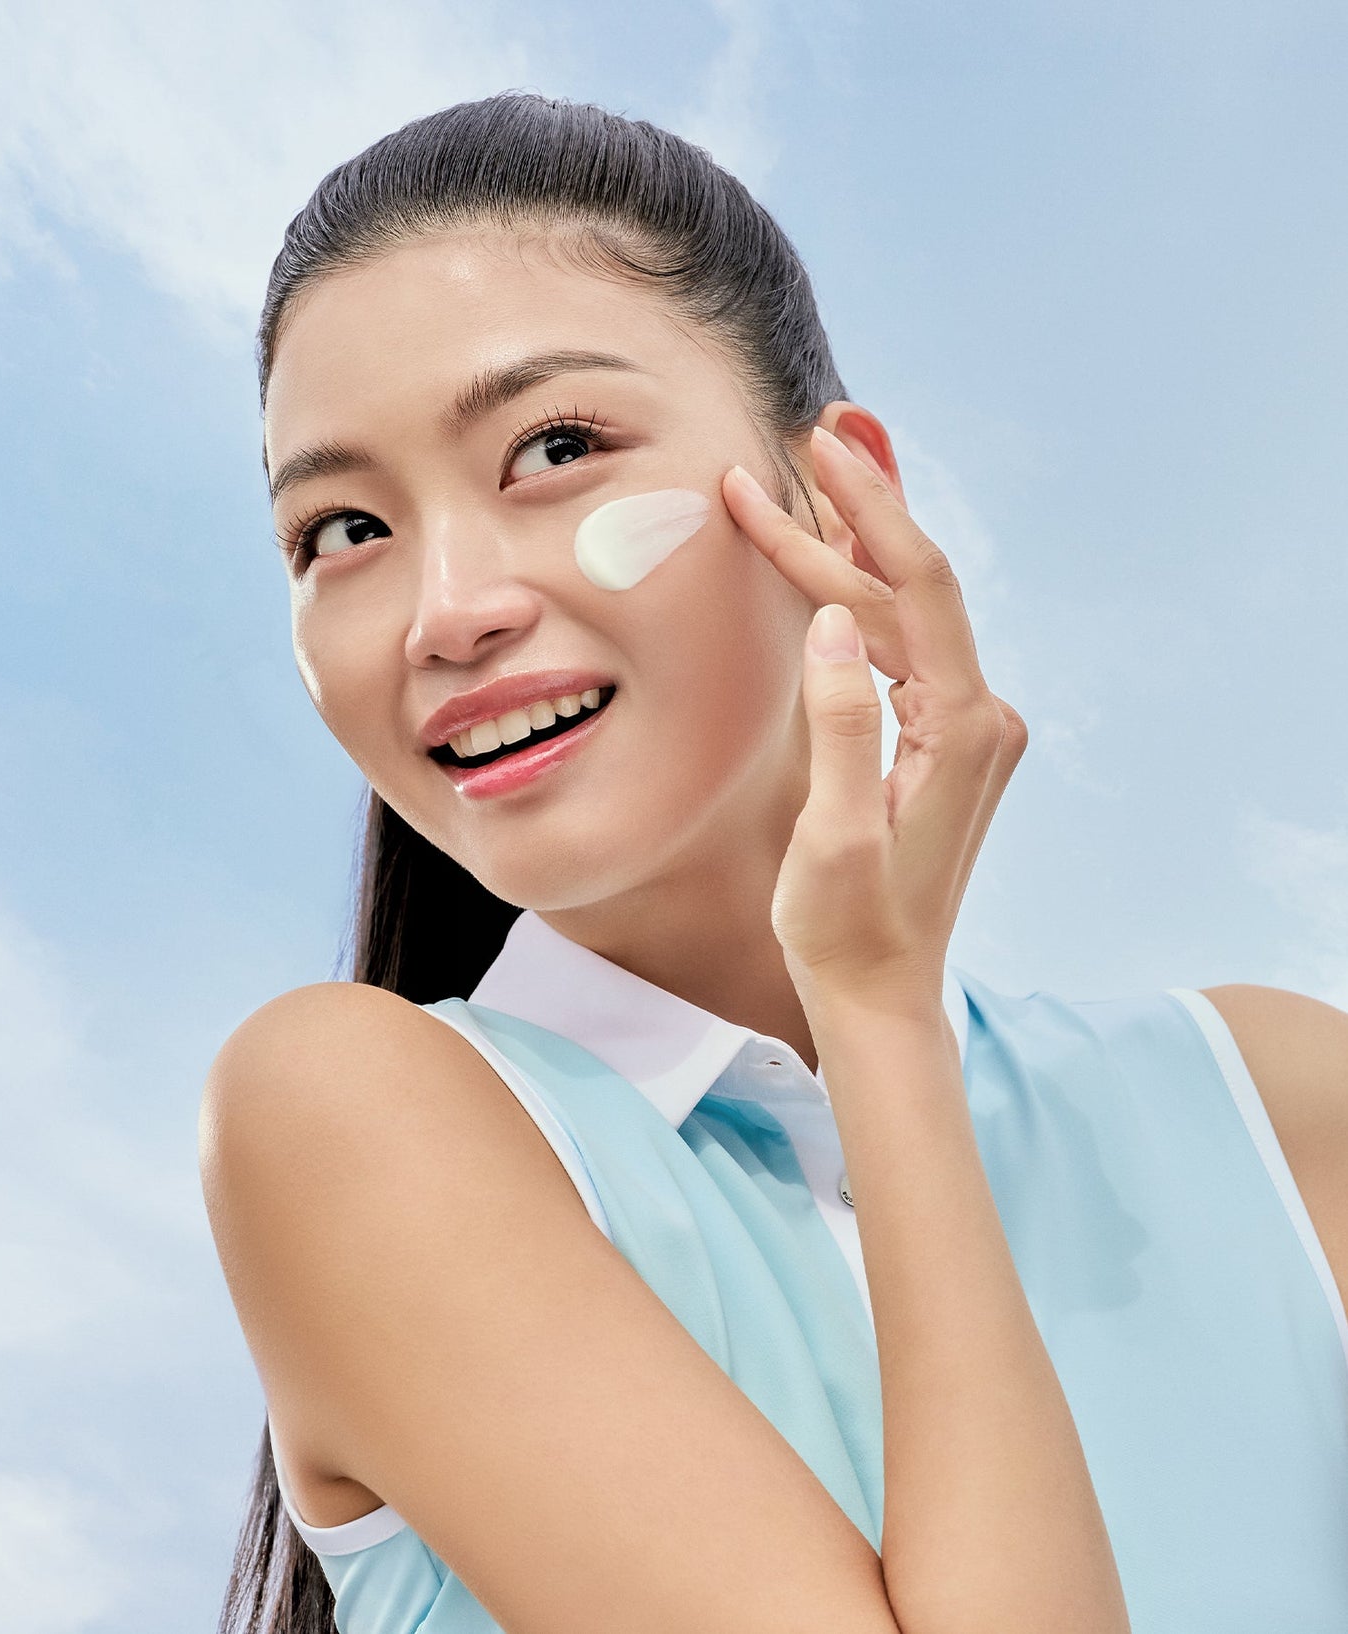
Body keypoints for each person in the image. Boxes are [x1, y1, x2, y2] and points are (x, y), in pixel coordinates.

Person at [198, 93, 1348, 1634]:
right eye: (341, 530)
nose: (446, 609)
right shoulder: (342, 1118)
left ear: (835, 494)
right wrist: (874, 1015)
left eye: (554, 448)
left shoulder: (1272, 1106)